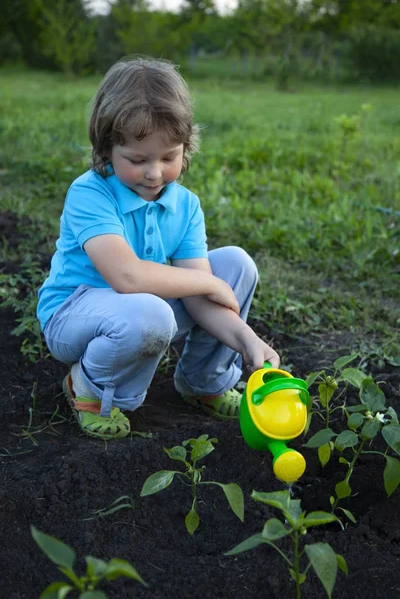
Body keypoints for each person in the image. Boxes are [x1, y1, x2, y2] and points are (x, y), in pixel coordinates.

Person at [37, 56, 280, 441]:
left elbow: (201, 299)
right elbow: (127, 277)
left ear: (186, 146)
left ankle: (206, 382)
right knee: (155, 309)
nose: (154, 173)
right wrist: (210, 285)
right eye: (137, 159)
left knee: (235, 264)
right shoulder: (91, 193)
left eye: (169, 157)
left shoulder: (184, 206)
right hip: (74, 316)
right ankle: (90, 388)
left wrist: (247, 339)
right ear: (106, 151)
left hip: (140, 310)